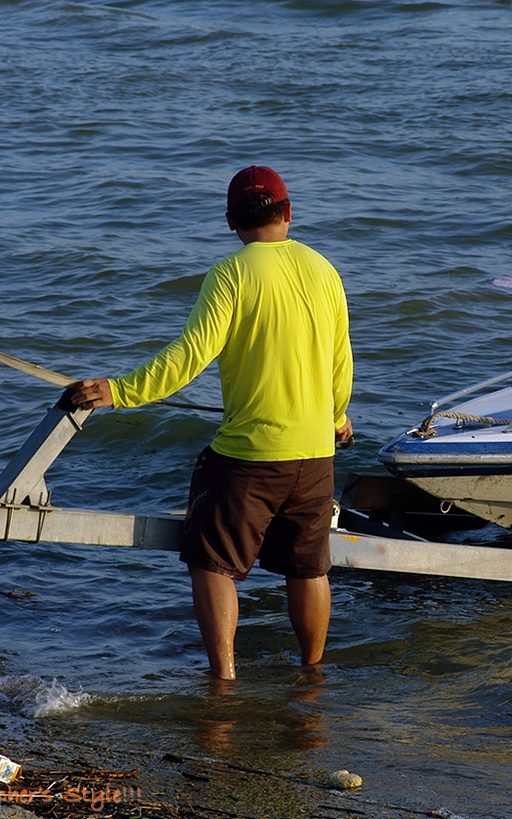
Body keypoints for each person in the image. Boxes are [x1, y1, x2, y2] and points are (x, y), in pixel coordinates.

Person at [68, 165, 354, 680]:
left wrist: (121, 390)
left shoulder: (231, 273)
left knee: (212, 562)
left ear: (230, 221)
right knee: (310, 568)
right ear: (289, 213)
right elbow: (341, 361)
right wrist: (336, 418)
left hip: (251, 457)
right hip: (316, 456)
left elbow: (191, 354)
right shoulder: (324, 270)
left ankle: (223, 678)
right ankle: (312, 675)